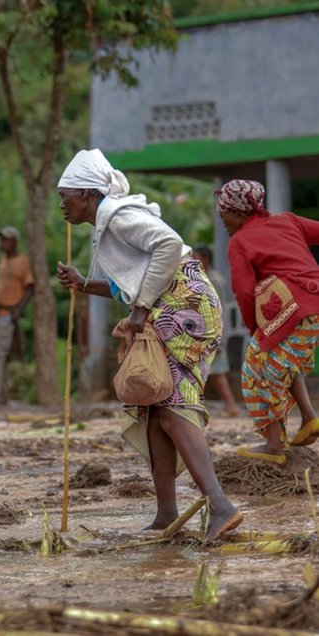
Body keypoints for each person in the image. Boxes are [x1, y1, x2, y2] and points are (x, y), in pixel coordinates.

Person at [55, 148, 241, 542]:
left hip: (185, 311)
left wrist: (140, 308)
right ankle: (166, 516)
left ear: (87, 194)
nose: (62, 205)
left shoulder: (121, 216)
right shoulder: (109, 223)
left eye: (65, 195)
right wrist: (83, 284)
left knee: (172, 411)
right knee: (154, 414)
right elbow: (136, 281)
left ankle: (221, 507)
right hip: (171, 310)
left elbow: (169, 246)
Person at [217, 179, 319, 464]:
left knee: (257, 368)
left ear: (237, 213)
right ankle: (310, 418)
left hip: (290, 309)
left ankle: (274, 445)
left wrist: (255, 330)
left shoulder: (239, 241)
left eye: (223, 212)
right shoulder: (287, 221)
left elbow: (244, 292)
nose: (222, 219)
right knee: (282, 363)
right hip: (314, 304)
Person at [0, 226, 34, 404]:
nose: (2, 243)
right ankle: (2, 394)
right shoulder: (3, 262)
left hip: (9, 314)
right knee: (0, 354)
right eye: (2, 240)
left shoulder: (22, 262)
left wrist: (18, 312)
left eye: (6, 240)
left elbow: (29, 287)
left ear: (14, 242)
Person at [192, 246, 242, 417]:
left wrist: (219, 337)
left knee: (218, 374)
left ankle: (232, 406)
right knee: (207, 373)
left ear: (205, 260)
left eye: (195, 258)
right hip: (205, 333)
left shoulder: (215, 281)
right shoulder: (203, 278)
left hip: (213, 334)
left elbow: (219, 310)